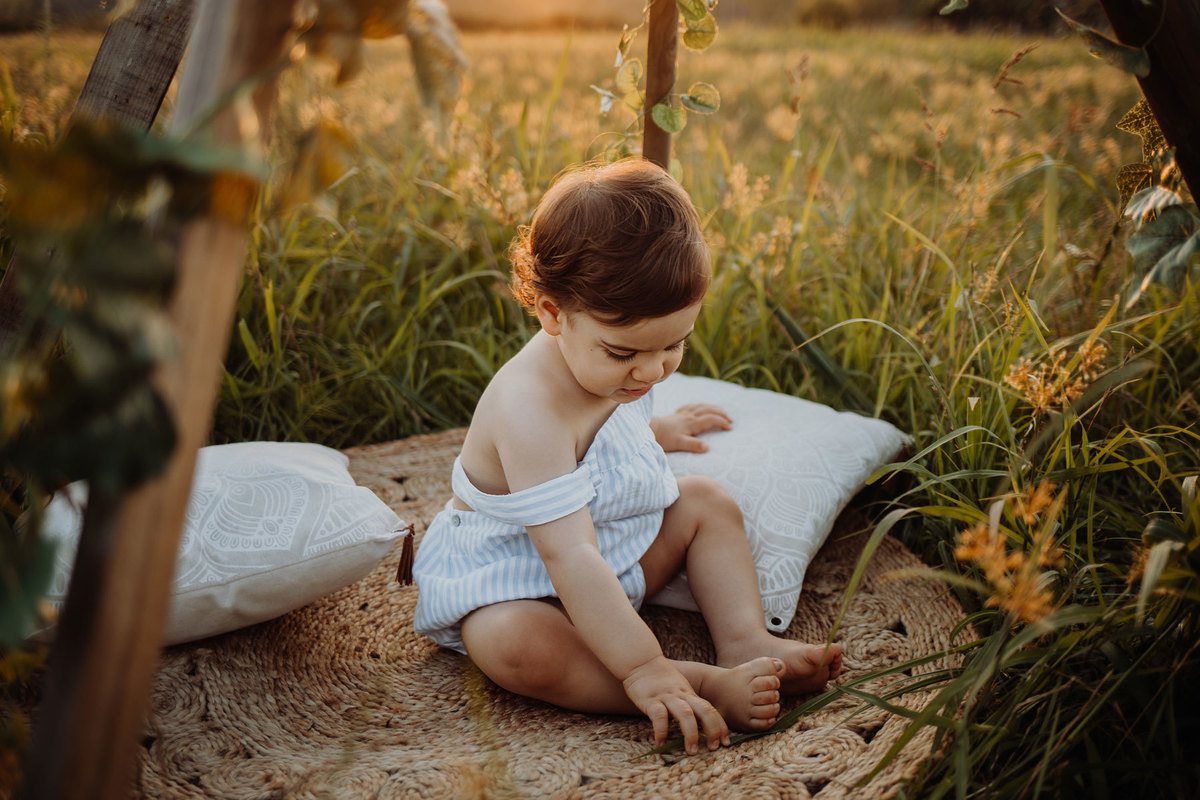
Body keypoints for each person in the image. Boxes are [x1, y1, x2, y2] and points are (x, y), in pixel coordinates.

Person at [412, 158, 842, 756]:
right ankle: (695, 684)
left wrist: (657, 428)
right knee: (510, 646)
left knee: (705, 501)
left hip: (610, 548)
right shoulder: (528, 410)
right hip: (519, 575)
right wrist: (645, 666)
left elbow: (617, 420)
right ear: (552, 314)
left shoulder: (618, 366)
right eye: (624, 353)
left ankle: (743, 640)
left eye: (674, 344)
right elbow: (569, 553)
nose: (651, 370)